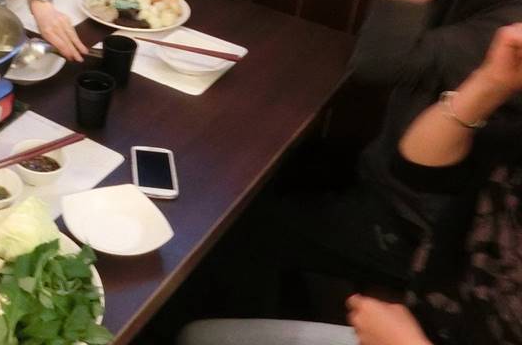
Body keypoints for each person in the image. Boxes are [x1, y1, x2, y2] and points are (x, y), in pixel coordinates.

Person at [178, 23, 522, 345]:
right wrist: (491, 81)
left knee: (200, 331)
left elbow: (378, 62)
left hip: (410, 330)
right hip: (428, 315)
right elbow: (418, 167)